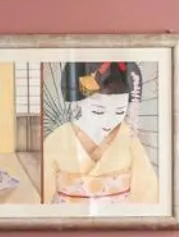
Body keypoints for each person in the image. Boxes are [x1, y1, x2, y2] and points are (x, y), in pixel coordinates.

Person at [43, 61, 158, 205]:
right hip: (68, 220)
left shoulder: (128, 137)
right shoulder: (57, 139)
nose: (109, 121)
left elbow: (147, 191)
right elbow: (41, 195)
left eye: (120, 111)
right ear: (77, 103)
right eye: (98, 111)